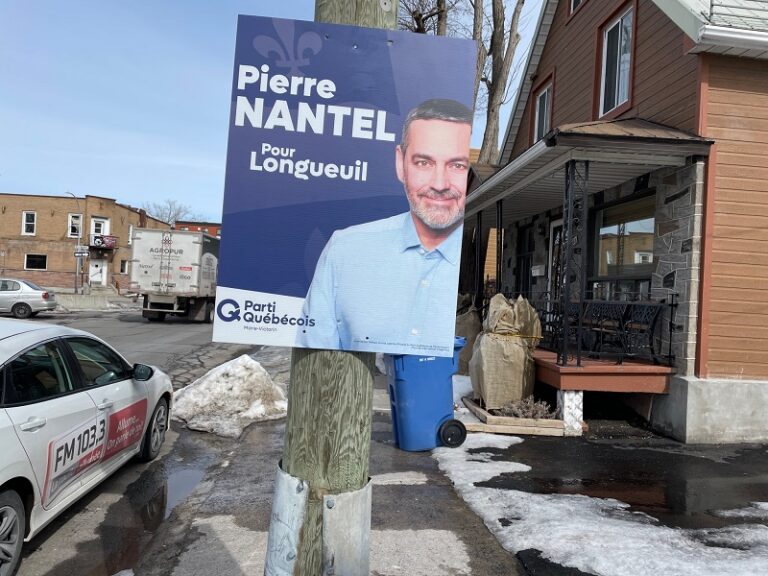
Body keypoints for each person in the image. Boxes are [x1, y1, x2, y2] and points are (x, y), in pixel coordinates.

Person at [296, 98, 472, 355]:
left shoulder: (473, 263)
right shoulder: (345, 250)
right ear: (401, 164)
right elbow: (315, 359)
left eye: (457, 165)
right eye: (423, 162)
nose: (439, 184)